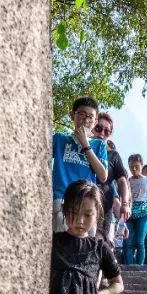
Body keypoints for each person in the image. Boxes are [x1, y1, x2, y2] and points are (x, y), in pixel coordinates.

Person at [51, 96, 108, 230]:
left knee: (85, 248)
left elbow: (103, 175)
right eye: (82, 114)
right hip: (62, 200)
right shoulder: (59, 139)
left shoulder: (99, 145)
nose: (86, 120)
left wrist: (85, 144)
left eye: (91, 117)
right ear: (72, 115)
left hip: (88, 202)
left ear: (95, 121)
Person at [93, 110, 129, 243]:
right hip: (80, 201)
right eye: (98, 128)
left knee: (101, 241)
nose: (102, 133)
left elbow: (122, 181)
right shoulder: (79, 148)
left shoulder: (113, 155)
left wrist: (125, 203)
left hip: (104, 204)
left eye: (107, 131)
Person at [124, 153, 147, 266]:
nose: (134, 169)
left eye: (136, 166)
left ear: (142, 165)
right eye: (131, 166)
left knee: (140, 242)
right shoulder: (127, 181)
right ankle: (130, 267)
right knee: (128, 242)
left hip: (143, 213)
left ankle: (139, 267)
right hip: (130, 212)